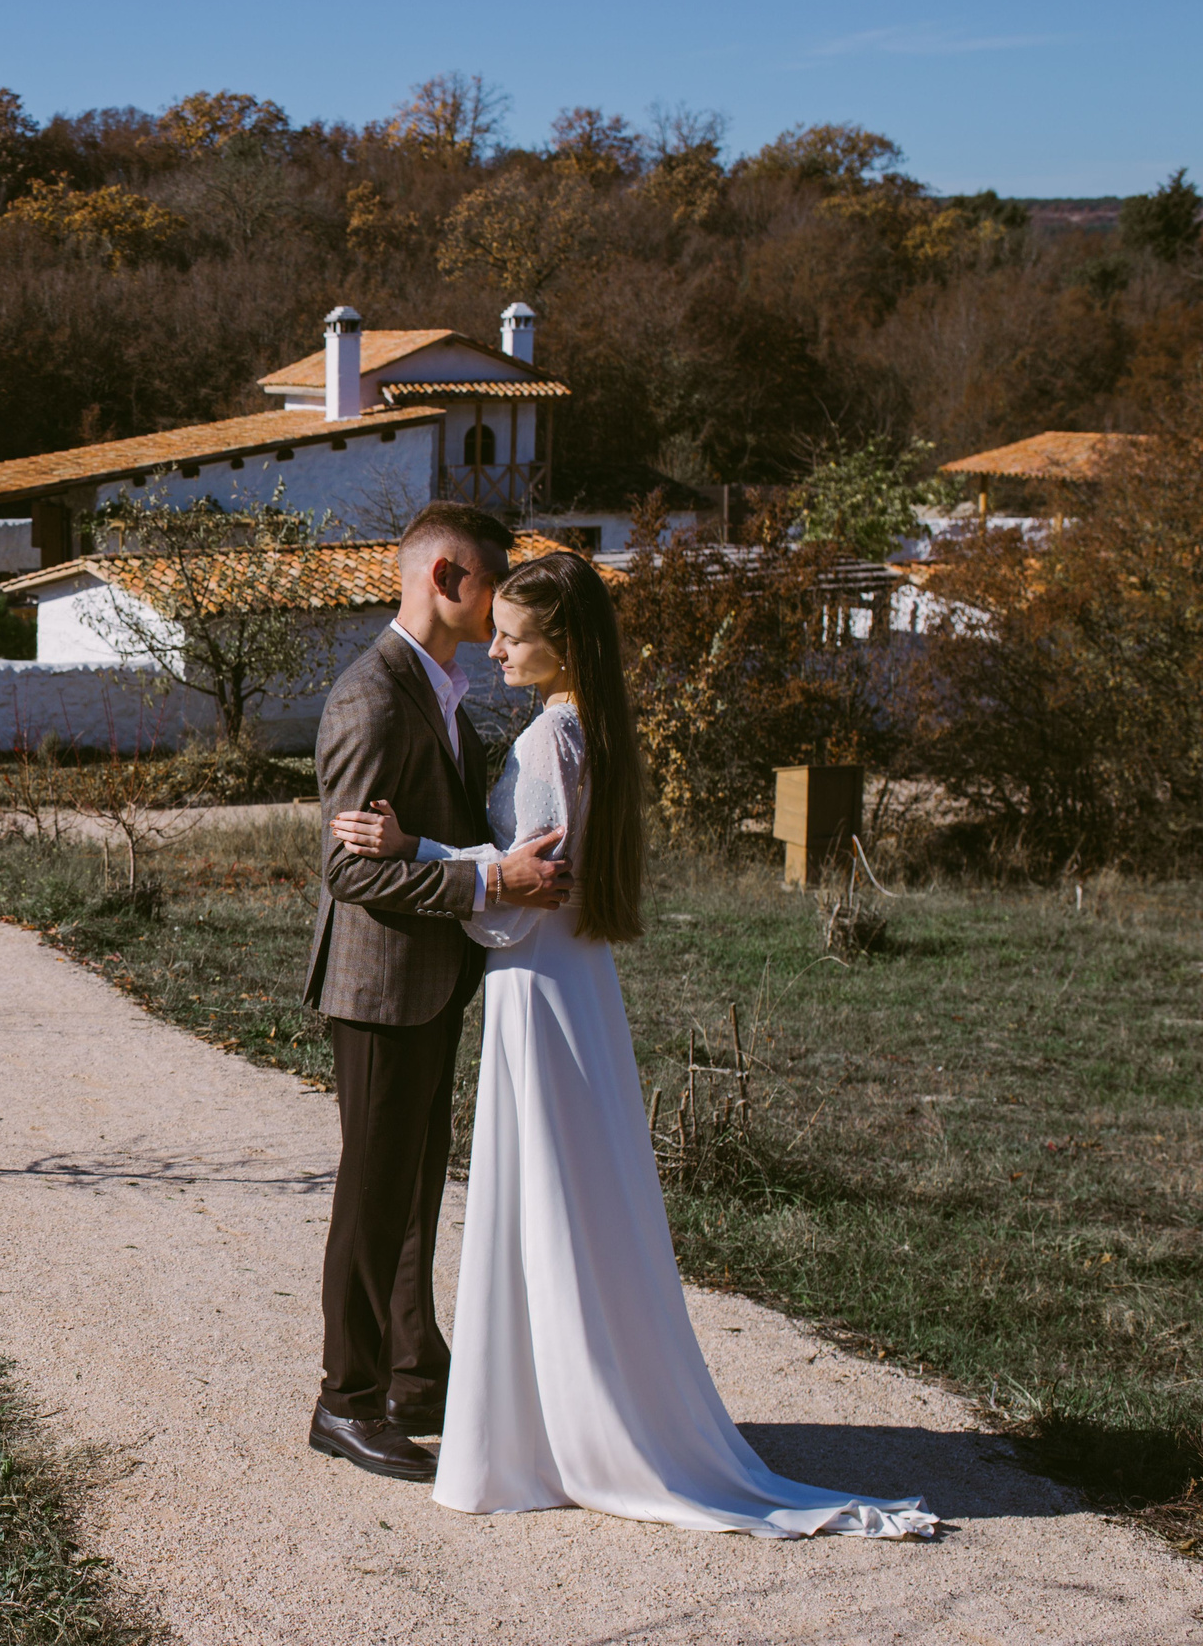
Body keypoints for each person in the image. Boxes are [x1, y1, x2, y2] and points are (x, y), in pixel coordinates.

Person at [330, 548, 937, 1538]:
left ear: (561, 647)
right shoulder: (591, 734)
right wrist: (472, 866)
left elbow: (518, 902)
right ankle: (559, 1401)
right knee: (578, 1195)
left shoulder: (542, 746)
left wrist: (418, 853)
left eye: (517, 638)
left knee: (545, 1196)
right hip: (579, 984)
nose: (496, 649)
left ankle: (536, 1427)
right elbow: (542, 881)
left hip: (535, 986)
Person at [300, 504, 572, 1483]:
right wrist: (488, 882)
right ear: (450, 577)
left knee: (415, 1186)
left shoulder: (439, 685)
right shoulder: (370, 698)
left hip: (428, 980)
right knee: (374, 1195)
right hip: (376, 987)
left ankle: (415, 1371)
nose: (502, 607)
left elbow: (421, 832)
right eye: (495, 582)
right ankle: (347, 1400)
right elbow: (349, 875)